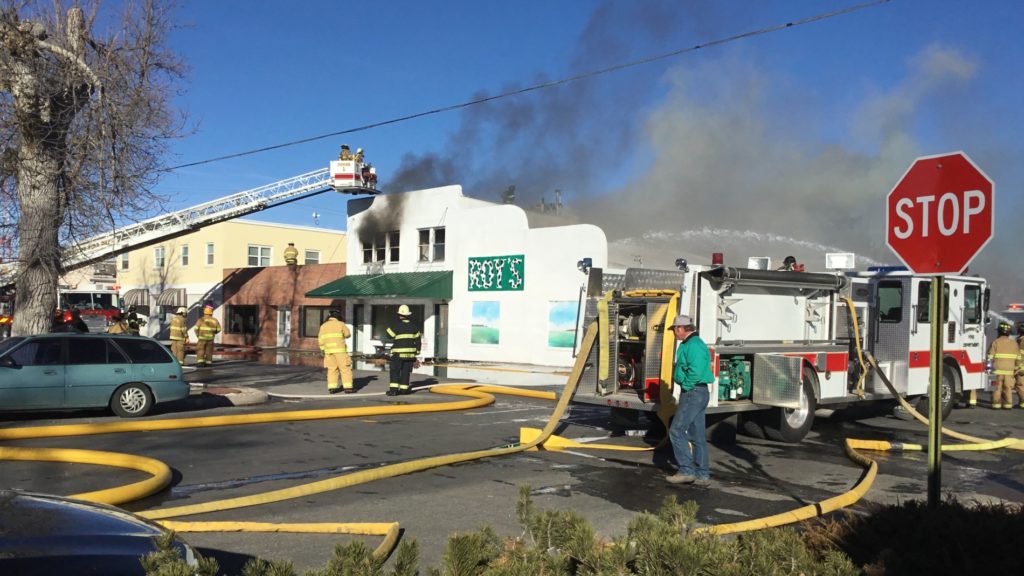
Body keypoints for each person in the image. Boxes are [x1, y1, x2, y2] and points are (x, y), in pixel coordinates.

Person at [666, 314, 713, 487]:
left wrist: (686, 385)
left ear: (681, 329)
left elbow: (696, 370)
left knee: (676, 431)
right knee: (697, 435)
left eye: (674, 329)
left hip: (693, 392)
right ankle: (702, 474)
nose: (674, 333)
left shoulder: (693, 345)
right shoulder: (693, 344)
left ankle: (686, 470)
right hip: (698, 392)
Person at [385, 304, 421, 396]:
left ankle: (393, 390)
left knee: (395, 371)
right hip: (410, 355)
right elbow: (418, 341)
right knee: (406, 372)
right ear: (408, 315)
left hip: (398, 354)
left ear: (400, 315)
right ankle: (404, 390)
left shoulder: (397, 325)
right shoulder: (414, 327)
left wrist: (389, 326)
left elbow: (389, 335)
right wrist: (417, 352)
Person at [318, 309, 354, 393]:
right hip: (340, 351)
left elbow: (320, 339)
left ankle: (332, 388)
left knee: (332, 370)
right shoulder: (341, 324)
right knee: (345, 369)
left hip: (328, 352)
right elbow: (348, 334)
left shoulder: (323, 326)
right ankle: (348, 388)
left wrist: (322, 349)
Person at [987, 321, 1019, 409]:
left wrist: (989, 368)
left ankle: (996, 404)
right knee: (1008, 387)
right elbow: (1018, 358)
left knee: (997, 387)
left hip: (997, 369)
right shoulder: (1014, 343)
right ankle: (1008, 404)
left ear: (999, 331)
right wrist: (1016, 368)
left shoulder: (995, 342)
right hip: (1009, 370)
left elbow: (990, 356)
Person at [1014, 323, 1024, 409]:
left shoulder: (1021, 341)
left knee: (1020, 385)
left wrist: (1019, 367)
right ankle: (1021, 403)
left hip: (1022, 368)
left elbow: (1020, 356)